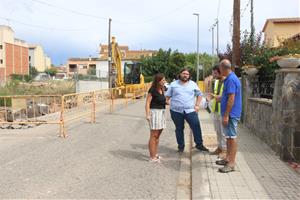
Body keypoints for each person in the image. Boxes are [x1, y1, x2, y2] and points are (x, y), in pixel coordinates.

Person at [165, 68, 209, 153]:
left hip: (190, 111)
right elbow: (167, 97)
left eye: (187, 74)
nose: (185, 75)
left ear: (189, 76)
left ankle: (199, 145)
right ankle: (181, 146)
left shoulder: (193, 84)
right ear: (180, 74)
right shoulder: (173, 84)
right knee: (179, 128)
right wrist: (168, 103)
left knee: (196, 127)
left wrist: (197, 105)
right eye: (184, 73)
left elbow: (199, 95)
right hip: (176, 111)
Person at [215, 59, 242, 173]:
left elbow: (231, 98)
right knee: (228, 137)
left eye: (220, 69)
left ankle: (231, 164)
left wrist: (226, 115)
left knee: (232, 137)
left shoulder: (231, 79)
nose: (219, 71)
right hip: (228, 113)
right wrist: (216, 97)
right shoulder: (228, 79)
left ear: (223, 68)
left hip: (231, 114)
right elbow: (226, 97)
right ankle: (227, 158)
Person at [145, 73, 167, 163]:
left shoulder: (162, 89)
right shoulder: (152, 90)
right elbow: (147, 103)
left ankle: (155, 153)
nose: (165, 81)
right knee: (153, 135)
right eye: (163, 80)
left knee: (158, 135)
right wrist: (147, 114)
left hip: (161, 112)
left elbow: (163, 101)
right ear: (158, 81)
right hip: (154, 113)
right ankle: (152, 157)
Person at [209, 65, 227, 159]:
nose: (213, 75)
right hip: (215, 110)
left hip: (223, 110)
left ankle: (225, 150)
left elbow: (228, 96)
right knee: (218, 131)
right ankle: (219, 148)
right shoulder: (215, 82)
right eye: (213, 73)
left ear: (221, 72)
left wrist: (216, 97)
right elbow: (213, 94)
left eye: (215, 73)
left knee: (224, 132)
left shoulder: (226, 81)